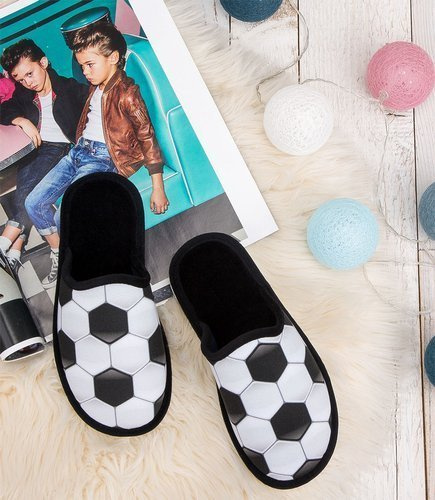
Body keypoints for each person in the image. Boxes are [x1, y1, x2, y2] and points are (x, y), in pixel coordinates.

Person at [25, 22, 169, 287]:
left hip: (103, 158)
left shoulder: (127, 94)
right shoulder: (97, 84)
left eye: (90, 65)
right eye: (82, 66)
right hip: (78, 152)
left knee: (63, 215)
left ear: (113, 58)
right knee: (33, 203)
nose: (85, 72)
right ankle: (61, 252)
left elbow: (147, 137)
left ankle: (81, 265)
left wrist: (157, 187)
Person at [0, 39, 88, 281]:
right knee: (25, 183)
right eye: (21, 79)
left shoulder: (70, 89)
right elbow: (4, 109)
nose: (28, 82)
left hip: (65, 150)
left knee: (29, 190)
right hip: (40, 149)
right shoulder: (25, 93)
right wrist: (21, 120)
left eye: (30, 74)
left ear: (44, 62)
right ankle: (14, 249)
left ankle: (6, 241)